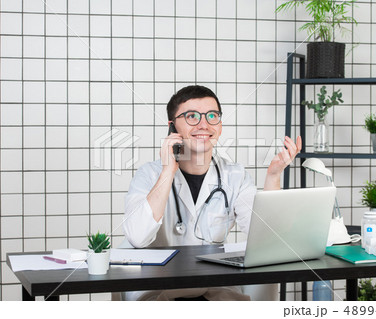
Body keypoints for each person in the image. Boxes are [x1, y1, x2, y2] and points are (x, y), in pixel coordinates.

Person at [122, 85, 301, 301]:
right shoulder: (149, 175)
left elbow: (266, 236)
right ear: (172, 127)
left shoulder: (235, 175)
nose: (204, 124)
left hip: (215, 290)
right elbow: (137, 237)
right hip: (160, 291)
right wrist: (168, 170)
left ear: (220, 125)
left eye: (212, 116)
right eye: (192, 116)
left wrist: (273, 177)